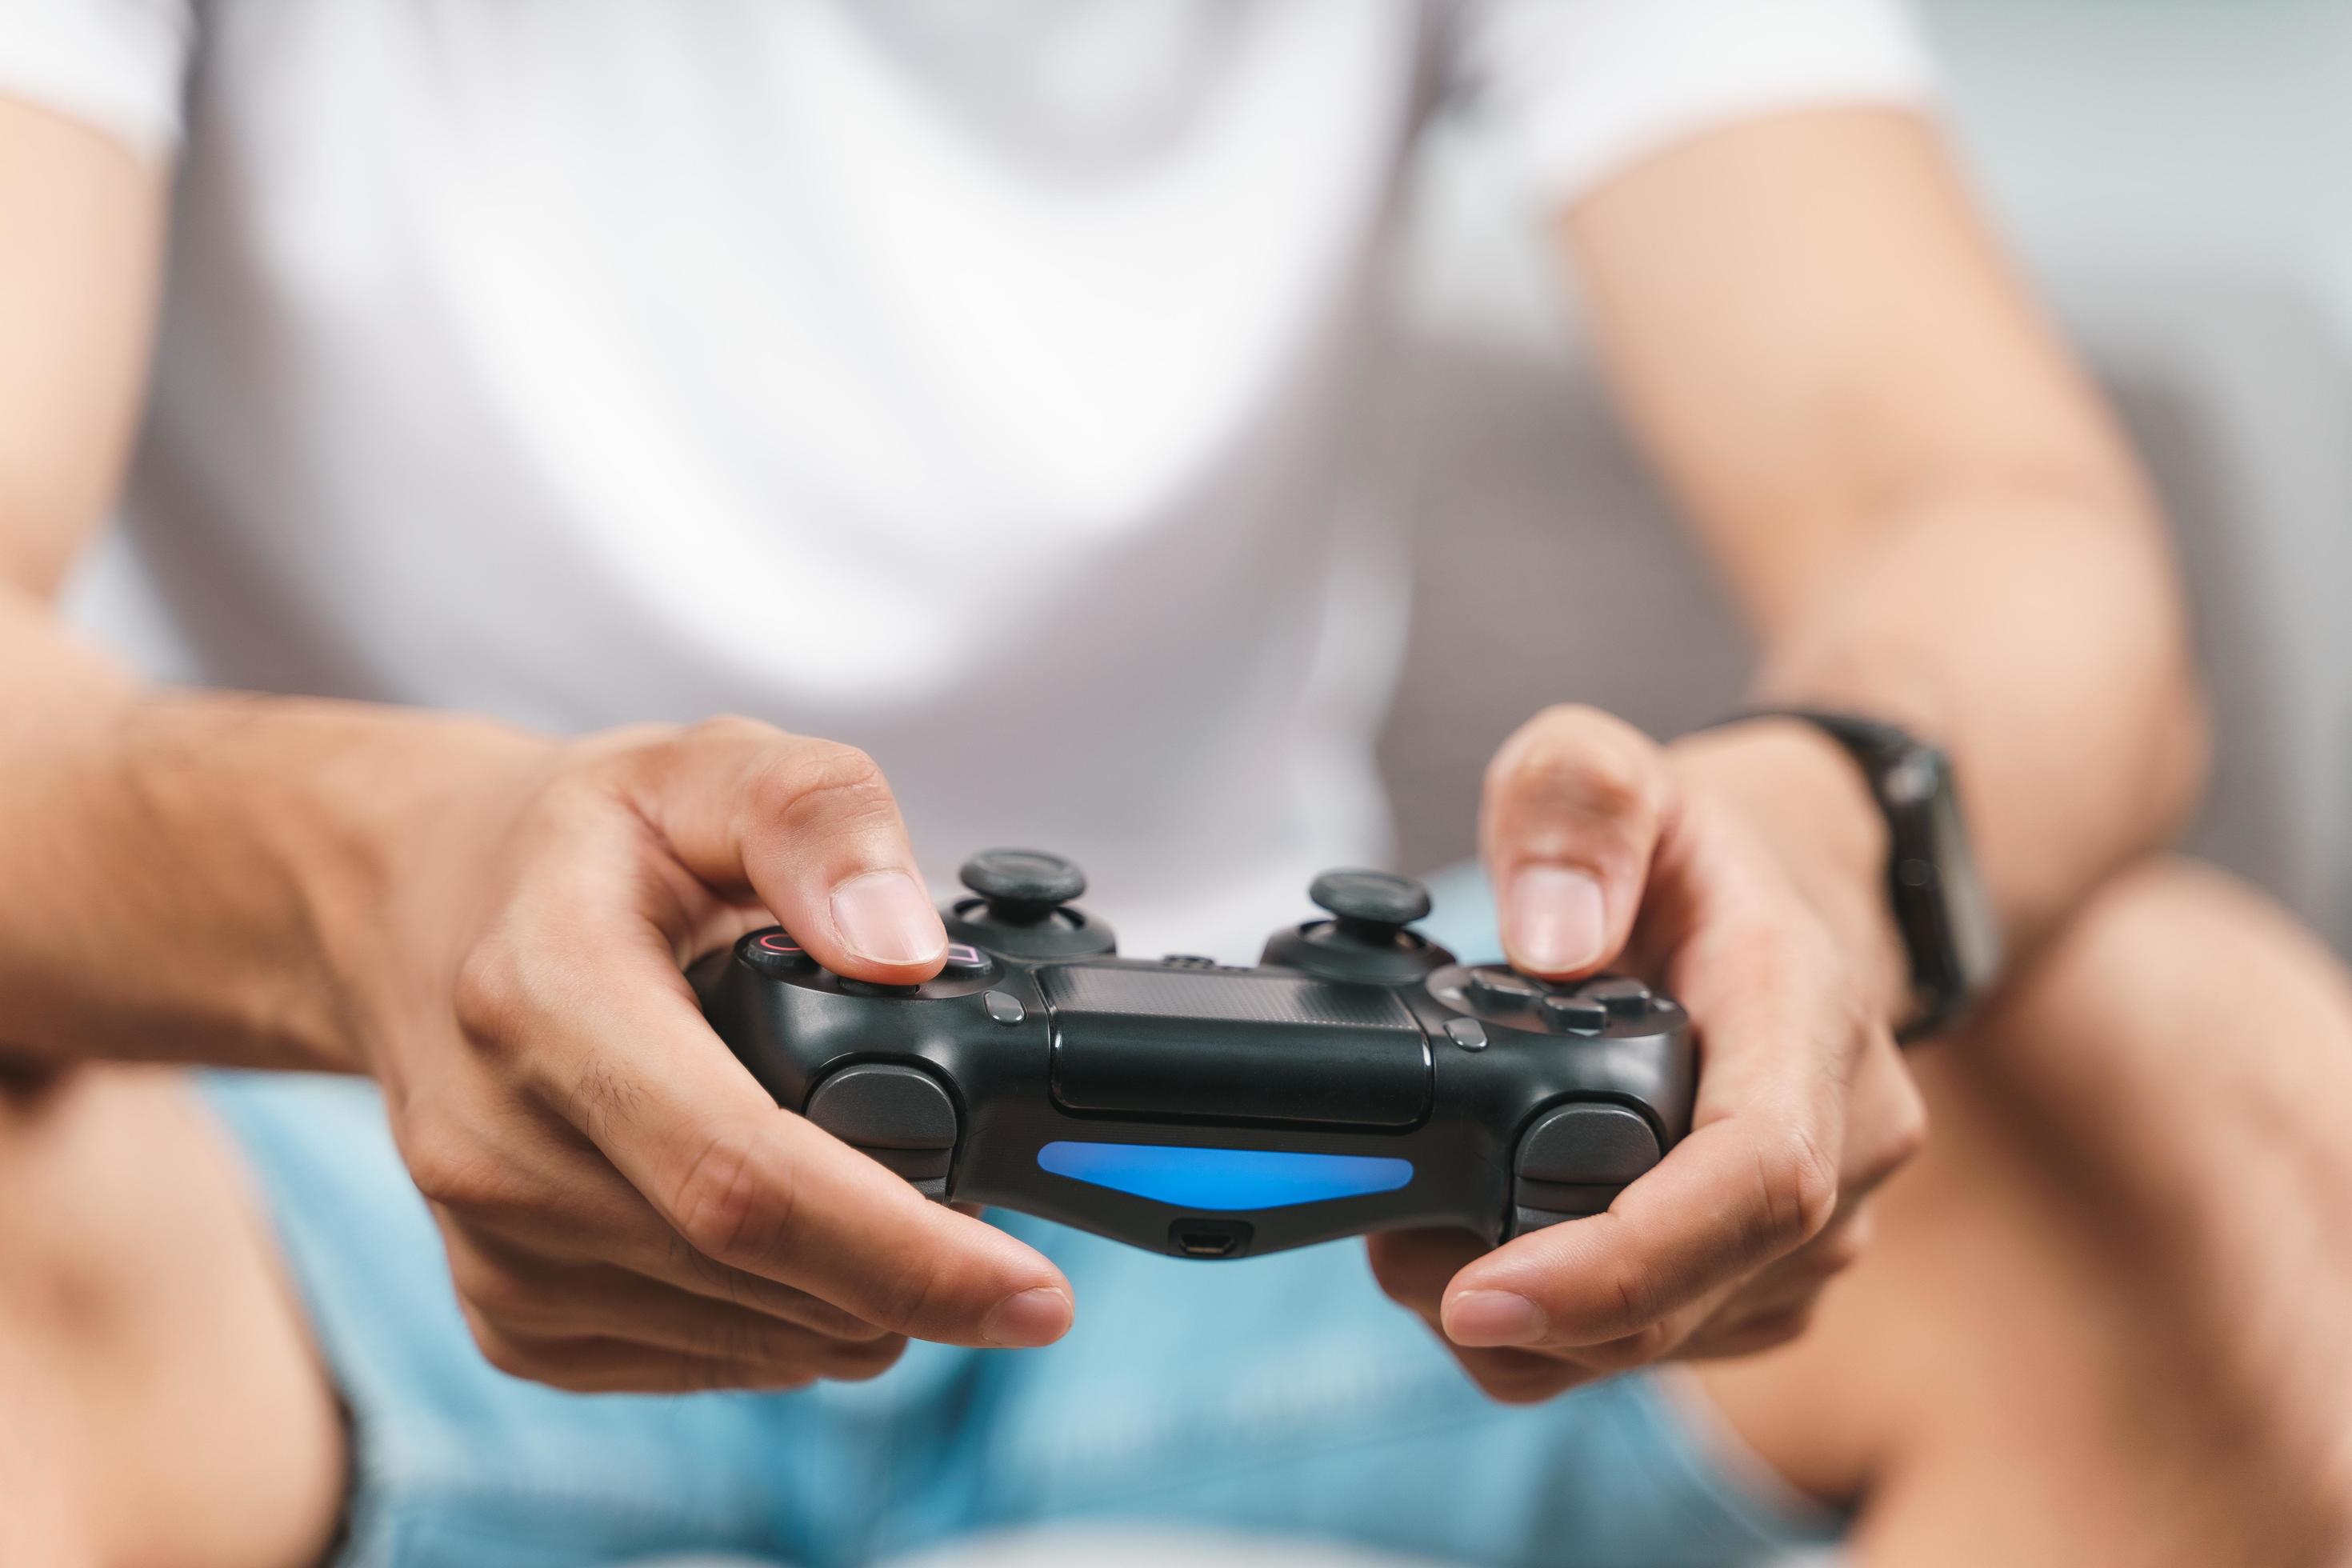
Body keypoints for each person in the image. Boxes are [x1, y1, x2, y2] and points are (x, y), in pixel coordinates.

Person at [2, 2, 2350, 1564]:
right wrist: (387, 896)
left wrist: (1819, 852)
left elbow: (1984, 506)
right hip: (351, 1175)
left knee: (2212, 1101)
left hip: (1356, 1261)